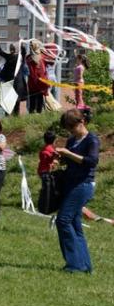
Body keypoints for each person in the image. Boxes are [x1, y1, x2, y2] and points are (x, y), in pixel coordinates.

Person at [53, 109, 99, 274]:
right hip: (70, 184)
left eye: (72, 126)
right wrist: (58, 159)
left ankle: (74, 264)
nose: (70, 130)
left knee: (63, 220)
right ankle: (85, 265)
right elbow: (69, 160)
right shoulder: (72, 140)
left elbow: (91, 161)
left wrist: (68, 154)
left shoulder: (92, 140)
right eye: (68, 127)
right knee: (74, 224)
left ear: (82, 122)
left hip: (83, 185)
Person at [0, 40, 26, 115]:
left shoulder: (9, 57)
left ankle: (7, 116)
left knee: (8, 100)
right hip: (18, 81)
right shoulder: (19, 58)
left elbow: (1, 52)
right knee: (17, 100)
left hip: (9, 81)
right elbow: (24, 53)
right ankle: (16, 116)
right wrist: (22, 46)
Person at [26, 40, 49, 114]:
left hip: (32, 82)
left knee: (32, 100)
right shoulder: (43, 57)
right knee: (40, 99)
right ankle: (39, 113)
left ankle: (31, 114)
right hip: (41, 82)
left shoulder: (28, 58)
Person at [38, 130, 59, 210]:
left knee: (46, 188)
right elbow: (48, 159)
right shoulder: (49, 150)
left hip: (43, 171)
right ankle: (45, 207)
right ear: (54, 140)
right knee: (47, 190)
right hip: (45, 172)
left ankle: (46, 205)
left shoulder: (45, 148)